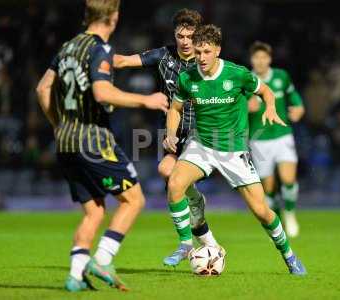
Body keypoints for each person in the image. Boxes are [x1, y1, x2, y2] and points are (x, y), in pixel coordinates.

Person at [36, 0, 168, 292]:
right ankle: (103, 259)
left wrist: (58, 124)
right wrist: (145, 99)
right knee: (134, 200)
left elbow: (43, 88)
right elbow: (101, 91)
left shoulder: (68, 47)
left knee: (94, 212)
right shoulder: (100, 48)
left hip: (65, 141)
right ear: (114, 17)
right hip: (93, 139)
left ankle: (74, 276)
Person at [163, 25, 306, 275]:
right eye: (197, 52)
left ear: (217, 50)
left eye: (207, 51)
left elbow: (266, 91)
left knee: (262, 211)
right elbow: (175, 109)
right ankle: (186, 244)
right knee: (174, 184)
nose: (201, 57)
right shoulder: (187, 78)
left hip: (233, 150)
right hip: (201, 145)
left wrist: (270, 107)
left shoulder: (237, 74)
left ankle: (289, 255)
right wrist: (172, 134)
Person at [114, 9, 221, 266]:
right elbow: (124, 61)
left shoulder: (205, 60)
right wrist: (96, 56)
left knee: (172, 179)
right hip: (172, 132)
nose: (184, 41)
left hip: (201, 132)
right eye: (180, 35)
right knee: (166, 173)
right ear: (174, 35)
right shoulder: (163, 56)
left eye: (189, 36)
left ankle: (186, 242)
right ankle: (199, 223)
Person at [248, 41, 305, 237]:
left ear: (269, 59)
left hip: (282, 135)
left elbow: (294, 97)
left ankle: (289, 212)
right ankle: (277, 220)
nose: (260, 61)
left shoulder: (281, 77)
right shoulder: (246, 80)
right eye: (256, 57)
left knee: (288, 179)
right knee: (268, 188)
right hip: (259, 139)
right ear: (252, 60)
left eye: (264, 57)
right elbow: (237, 109)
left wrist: (299, 108)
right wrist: (246, 107)